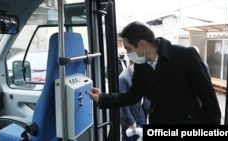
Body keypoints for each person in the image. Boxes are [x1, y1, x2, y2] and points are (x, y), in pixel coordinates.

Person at [87, 21, 221, 125]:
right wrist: (103, 98)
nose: (127, 54)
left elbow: (209, 99)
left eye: (128, 49)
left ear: (142, 45)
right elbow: (132, 96)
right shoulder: (141, 65)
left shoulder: (185, 56)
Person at [119, 60, 146, 141]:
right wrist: (131, 121)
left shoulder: (137, 75)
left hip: (139, 112)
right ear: (130, 64)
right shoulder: (123, 78)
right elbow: (123, 103)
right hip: (128, 116)